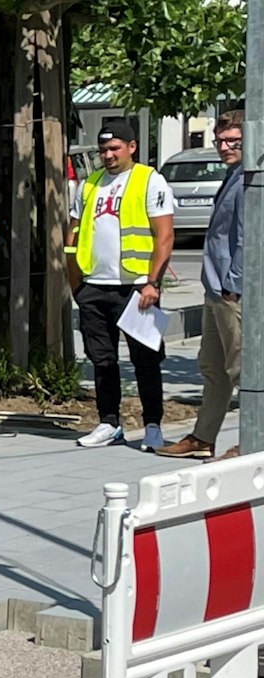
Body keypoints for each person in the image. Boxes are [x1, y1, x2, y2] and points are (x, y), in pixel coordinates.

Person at [68, 118, 175, 451]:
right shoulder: (89, 185)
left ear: (132, 147)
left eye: (114, 148)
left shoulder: (149, 181)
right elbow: (72, 236)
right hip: (95, 286)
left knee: (146, 360)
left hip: (136, 286)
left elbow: (164, 236)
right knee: (102, 360)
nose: (108, 155)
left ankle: (153, 425)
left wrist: (151, 282)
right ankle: (109, 422)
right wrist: (77, 285)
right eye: (103, 149)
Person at [158, 110, 244, 461]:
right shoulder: (231, 176)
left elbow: (251, 238)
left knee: (244, 371)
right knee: (212, 366)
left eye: (232, 141)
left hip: (233, 292)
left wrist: (233, 285)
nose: (224, 147)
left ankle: (254, 441)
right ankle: (203, 436)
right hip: (214, 289)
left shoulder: (252, 180)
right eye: (219, 141)